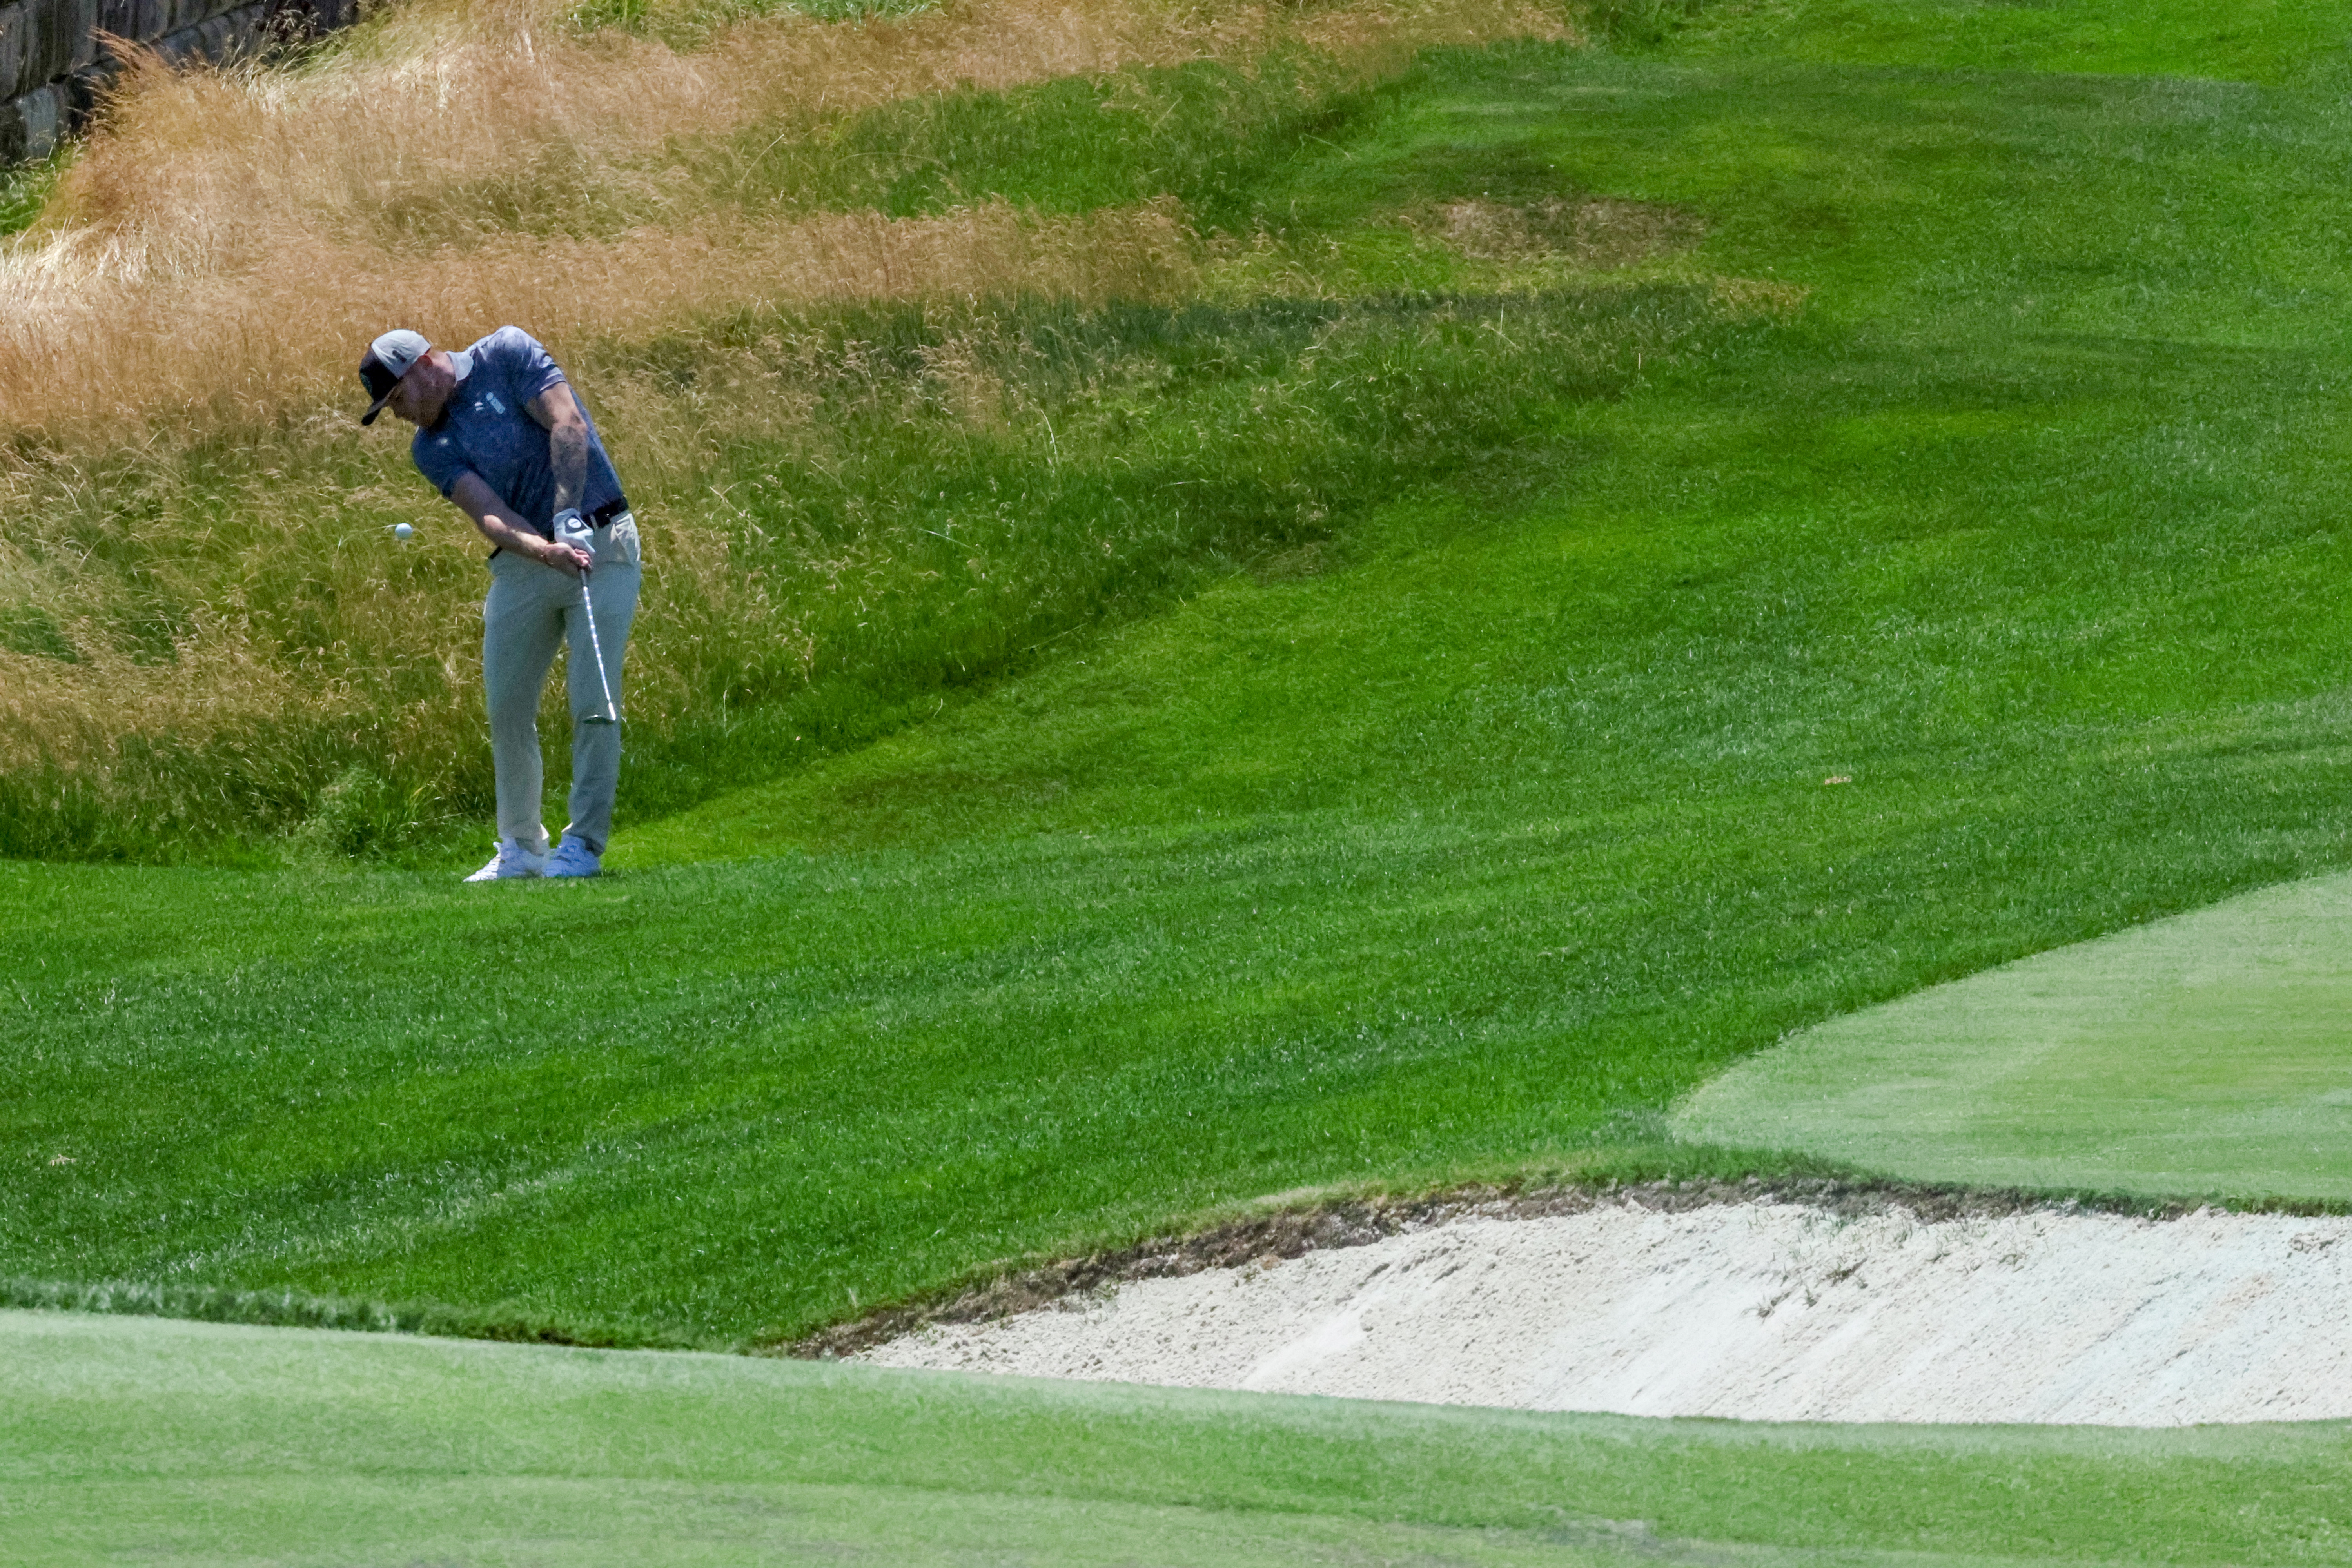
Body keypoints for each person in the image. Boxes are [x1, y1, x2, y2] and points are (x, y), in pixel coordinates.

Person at [358, 326, 642, 881]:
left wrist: (568, 517)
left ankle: (582, 846)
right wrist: (543, 547)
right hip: (525, 565)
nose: (397, 415)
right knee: (508, 706)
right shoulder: (431, 448)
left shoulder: (507, 354)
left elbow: (567, 422)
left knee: (594, 701)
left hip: (601, 544)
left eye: (396, 399)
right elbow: (488, 513)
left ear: (422, 364)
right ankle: (521, 848)